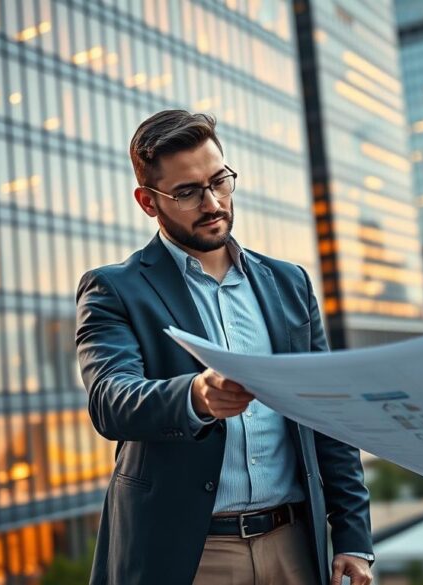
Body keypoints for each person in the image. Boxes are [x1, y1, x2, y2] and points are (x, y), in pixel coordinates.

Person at [75, 109, 373, 585]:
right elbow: (110, 400)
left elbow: (326, 414)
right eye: (188, 192)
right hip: (188, 554)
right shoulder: (114, 289)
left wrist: (354, 538)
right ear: (148, 202)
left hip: (293, 545)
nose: (212, 202)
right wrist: (194, 396)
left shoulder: (289, 283)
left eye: (220, 181)